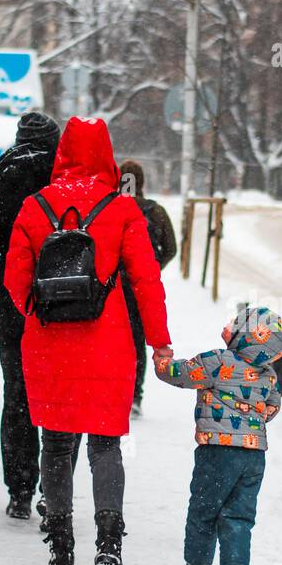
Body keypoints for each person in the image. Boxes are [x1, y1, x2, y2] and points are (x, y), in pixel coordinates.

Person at [3, 117, 172, 565]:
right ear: (106, 155)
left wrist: (42, 312)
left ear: (63, 155)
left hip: (49, 346)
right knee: (104, 448)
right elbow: (146, 280)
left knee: (55, 446)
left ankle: (59, 545)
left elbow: (15, 280)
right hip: (109, 346)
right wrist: (159, 340)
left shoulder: (34, 207)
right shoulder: (122, 210)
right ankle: (110, 551)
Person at [0, 112, 60, 521]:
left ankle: (20, 490)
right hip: (65, 313)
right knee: (58, 400)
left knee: (17, 398)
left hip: (16, 316)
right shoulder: (67, 190)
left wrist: (10, 291)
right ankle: (55, 491)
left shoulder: (0, 190)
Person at [154, 306, 282, 565]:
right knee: (239, 515)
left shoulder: (216, 361)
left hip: (217, 452)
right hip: (254, 455)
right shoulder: (268, 376)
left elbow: (182, 373)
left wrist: (162, 362)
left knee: (205, 508)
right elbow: (273, 406)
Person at [117, 160, 177, 418]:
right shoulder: (156, 211)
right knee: (138, 341)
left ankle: (115, 391)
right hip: (141, 287)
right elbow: (171, 248)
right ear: (142, 183)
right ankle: (135, 395)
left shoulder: (111, 208)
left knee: (114, 340)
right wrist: (151, 268)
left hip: (114, 287)